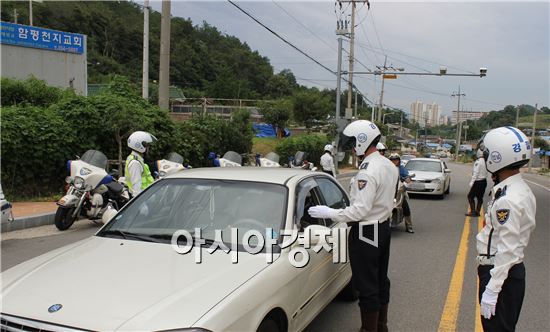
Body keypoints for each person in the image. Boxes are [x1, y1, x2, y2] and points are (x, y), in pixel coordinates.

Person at [309, 120, 398, 332]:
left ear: (361, 141)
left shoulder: (367, 170)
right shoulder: (387, 164)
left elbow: (359, 211)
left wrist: (330, 212)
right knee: (379, 280)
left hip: (367, 231)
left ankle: (368, 329)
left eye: (352, 143)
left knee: (366, 285)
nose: (350, 148)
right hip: (382, 228)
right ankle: (381, 326)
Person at [476, 126, 536, 331]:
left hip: (500, 273)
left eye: (486, 155)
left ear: (497, 158)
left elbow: (508, 248)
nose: (484, 159)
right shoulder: (518, 189)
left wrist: (492, 289)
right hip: (508, 273)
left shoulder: (507, 199)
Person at [125, 131, 156, 197]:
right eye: (147, 146)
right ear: (139, 145)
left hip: (146, 197)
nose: (148, 148)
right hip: (143, 200)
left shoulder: (136, 159)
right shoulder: (135, 163)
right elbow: (136, 188)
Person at [389, 153, 414, 233]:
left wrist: (407, 182)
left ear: (399, 161)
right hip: (387, 191)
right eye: (392, 160)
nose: (394, 161)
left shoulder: (401, 169)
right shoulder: (386, 168)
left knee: (406, 207)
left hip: (399, 191)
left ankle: (409, 226)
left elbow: (407, 178)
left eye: (396, 160)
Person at [466, 149, 488, 216]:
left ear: (478, 154)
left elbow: (476, 173)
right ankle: (477, 212)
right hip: (484, 181)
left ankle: (473, 212)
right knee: (480, 197)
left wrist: (471, 182)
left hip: (478, 182)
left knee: (470, 196)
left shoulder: (478, 162)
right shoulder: (485, 161)